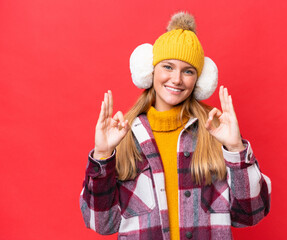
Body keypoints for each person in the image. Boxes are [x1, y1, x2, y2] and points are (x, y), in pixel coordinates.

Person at [80, 12, 271, 240]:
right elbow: (101, 223)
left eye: (188, 71)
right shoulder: (125, 136)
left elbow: (251, 214)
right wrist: (102, 155)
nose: (177, 79)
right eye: (168, 67)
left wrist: (236, 149)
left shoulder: (215, 132)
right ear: (151, 71)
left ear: (199, 80)